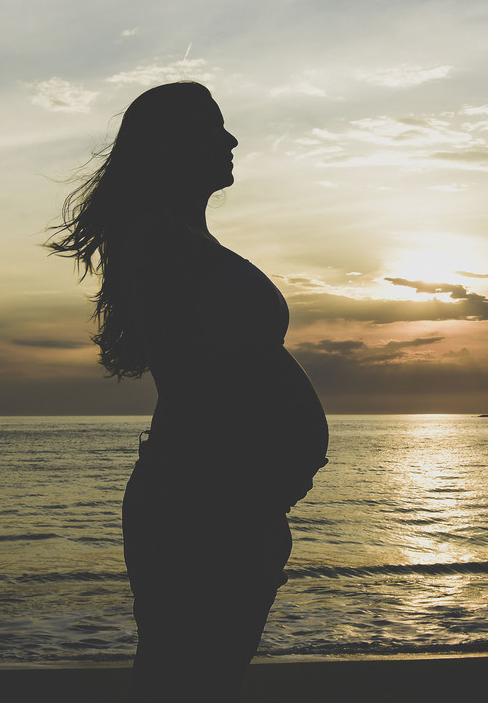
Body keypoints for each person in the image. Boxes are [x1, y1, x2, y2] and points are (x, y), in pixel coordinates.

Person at [48, 81, 328, 702]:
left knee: (202, 679)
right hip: (204, 505)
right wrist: (250, 484)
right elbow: (208, 384)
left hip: (226, 501)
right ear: (172, 146)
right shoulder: (161, 245)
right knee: (187, 679)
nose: (231, 141)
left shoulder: (177, 242)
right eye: (213, 129)